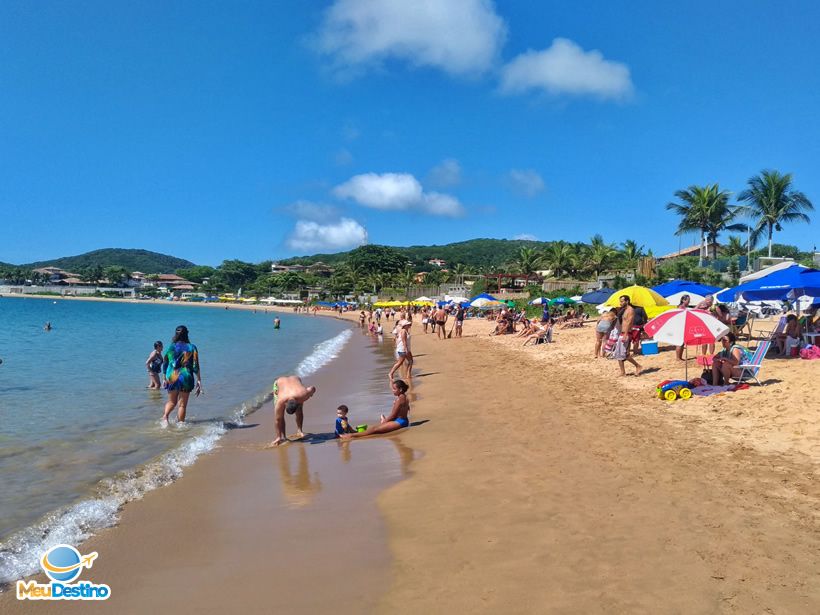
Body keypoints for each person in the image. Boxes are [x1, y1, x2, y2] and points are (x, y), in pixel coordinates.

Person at [341, 379, 410, 439]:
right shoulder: (404, 397)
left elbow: (393, 416)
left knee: (375, 429)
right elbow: (407, 408)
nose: (392, 390)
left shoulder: (399, 400)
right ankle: (383, 420)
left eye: (394, 389)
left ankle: (352, 435)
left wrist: (383, 424)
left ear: (400, 389)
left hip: (401, 422)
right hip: (403, 420)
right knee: (379, 426)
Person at [162, 325, 202, 424]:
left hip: (172, 376)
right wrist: (199, 380)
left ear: (176, 334)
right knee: (182, 405)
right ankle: (180, 427)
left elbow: (165, 362)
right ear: (187, 334)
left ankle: (165, 417)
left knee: (172, 402)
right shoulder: (192, 347)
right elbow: (195, 365)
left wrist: (164, 377)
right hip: (186, 376)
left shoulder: (171, 347)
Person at [271, 375, 317, 446]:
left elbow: (313, 388)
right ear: (285, 404)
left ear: (297, 402)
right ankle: (282, 437)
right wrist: (278, 437)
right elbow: (277, 420)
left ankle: (299, 430)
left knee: (300, 409)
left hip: (295, 380)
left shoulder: (303, 395)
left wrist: (311, 393)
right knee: (280, 416)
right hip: (279, 382)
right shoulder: (280, 401)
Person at [616, 295, 643, 376]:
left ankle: (638, 366)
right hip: (623, 333)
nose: (620, 303)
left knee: (626, 354)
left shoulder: (630, 310)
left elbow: (628, 322)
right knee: (619, 354)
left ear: (627, 301)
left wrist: (626, 334)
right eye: (620, 301)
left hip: (627, 334)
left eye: (622, 301)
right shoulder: (624, 310)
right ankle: (623, 372)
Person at [675, 295, 691, 361]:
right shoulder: (680, 307)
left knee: (682, 343)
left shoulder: (684, 307)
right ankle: (678, 358)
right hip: (680, 326)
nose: (689, 301)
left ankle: (680, 357)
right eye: (688, 300)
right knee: (679, 342)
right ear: (683, 300)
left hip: (683, 326)